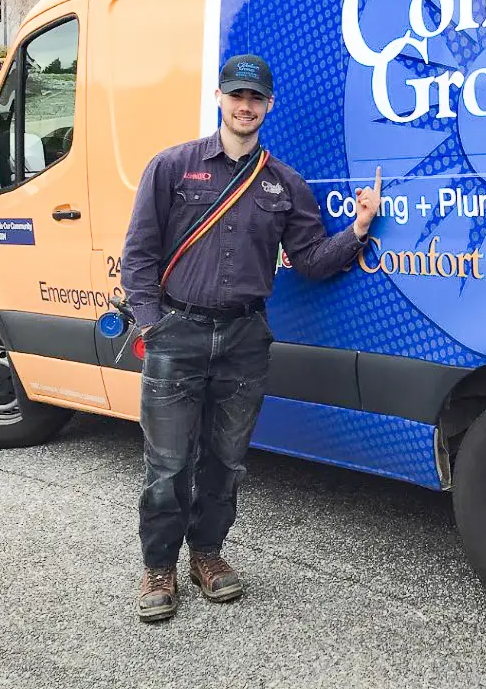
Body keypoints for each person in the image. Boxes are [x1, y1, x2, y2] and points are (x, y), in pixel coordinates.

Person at [121, 53, 382, 622]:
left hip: (244, 339)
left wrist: (360, 228)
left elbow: (310, 260)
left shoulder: (284, 183)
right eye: (236, 95)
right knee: (167, 465)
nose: (245, 106)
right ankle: (159, 567)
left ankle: (207, 555)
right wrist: (152, 323)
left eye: (255, 97)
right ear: (219, 97)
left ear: (269, 105)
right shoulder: (171, 167)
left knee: (226, 462)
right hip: (177, 333)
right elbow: (138, 256)